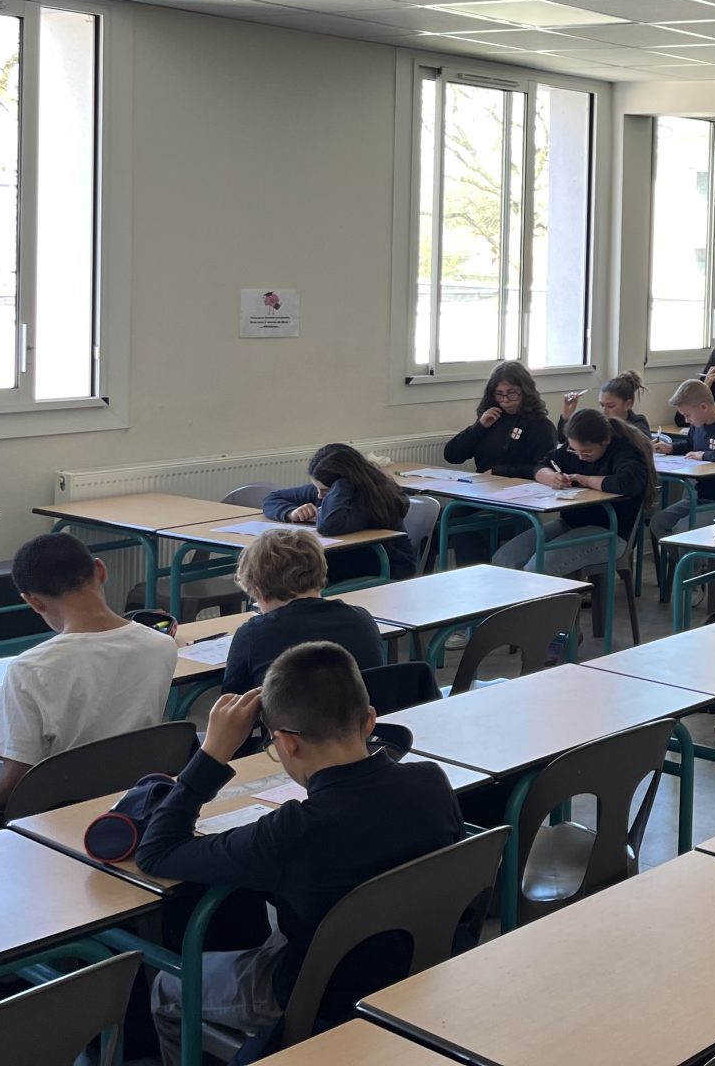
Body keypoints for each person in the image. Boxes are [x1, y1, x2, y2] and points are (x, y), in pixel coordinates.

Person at [137, 642, 465, 1063]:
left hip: (322, 993)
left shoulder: (290, 833)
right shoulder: (431, 782)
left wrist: (213, 753)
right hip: (422, 964)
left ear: (288, 743)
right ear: (369, 720)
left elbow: (156, 851)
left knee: (168, 987)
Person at [0, 533, 177, 837]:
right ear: (100, 570)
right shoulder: (161, 645)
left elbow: (12, 786)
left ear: (33, 600)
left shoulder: (30, 669)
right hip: (136, 806)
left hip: (55, 820)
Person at [491, 408, 653, 581]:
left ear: (606, 440)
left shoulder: (625, 449)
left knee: (539, 567)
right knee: (504, 559)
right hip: (570, 524)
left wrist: (586, 480)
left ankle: (554, 598)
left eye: (587, 452)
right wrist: (551, 477)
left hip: (612, 532)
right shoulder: (572, 448)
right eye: (575, 451)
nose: (580, 457)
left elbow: (628, 483)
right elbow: (541, 465)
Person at [222, 529, 384, 696]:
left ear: (258, 591)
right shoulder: (362, 620)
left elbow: (231, 701)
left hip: (287, 713)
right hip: (357, 712)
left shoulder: (252, 634)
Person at [262, 443, 416, 581]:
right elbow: (273, 498)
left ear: (344, 486)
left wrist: (343, 482)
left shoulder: (374, 501)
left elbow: (328, 526)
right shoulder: (324, 490)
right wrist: (291, 512)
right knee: (281, 566)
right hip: (346, 560)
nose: (319, 496)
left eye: (326, 491)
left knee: (293, 572)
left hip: (386, 566)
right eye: (316, 488)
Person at [648, 380, 715, 541]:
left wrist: (705, 455)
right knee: (658, 522)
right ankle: (682, 558)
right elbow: (690, 445)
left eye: (687, 415)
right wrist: (671, 449)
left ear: (704, 407)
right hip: (701, 496)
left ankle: (688, 556)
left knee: (682, 531)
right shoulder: (698, 425)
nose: (686, 420)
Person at [443, 361, 554, 477]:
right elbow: (452, 456)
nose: (505, 399)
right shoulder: (491, 419)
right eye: (499, 394)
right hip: (483, 483)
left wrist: (499, 471)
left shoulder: (540, 425)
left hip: (518, 485)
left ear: (525, 392)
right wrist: (479, 427)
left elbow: (542, 469)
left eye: (512, 393)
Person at [559, 371, 649, 441]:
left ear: (628, 404)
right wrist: (567, 417)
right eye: (601, 405)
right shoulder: (598, 421)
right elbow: (563, 439)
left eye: (610, 406)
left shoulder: (638, 423)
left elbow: (642, 445)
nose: (604, 411)